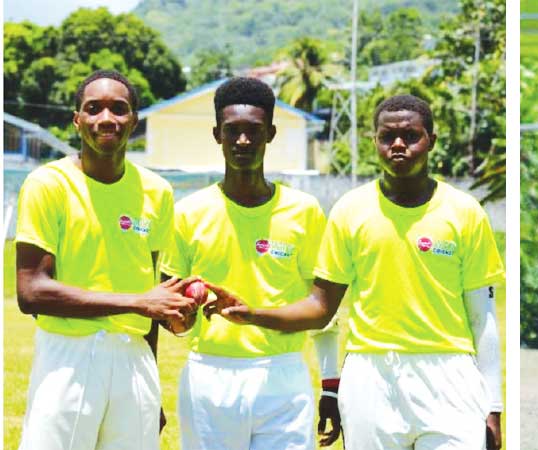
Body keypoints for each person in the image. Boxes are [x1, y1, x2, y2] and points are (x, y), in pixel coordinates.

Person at [207, 94, 505, 449]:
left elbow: (482, 317)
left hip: (449, 373)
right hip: (370, 376)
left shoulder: (464, 212)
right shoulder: (350, 210)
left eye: (410, 136)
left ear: (432, 141)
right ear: (374, 142)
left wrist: (494, 405)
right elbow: (320, 308)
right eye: (386, 136)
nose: (397, 144)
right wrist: (253, 314)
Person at [14, 69, 199, 449]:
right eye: (93, 108)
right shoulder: (48, 185)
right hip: (68, 356)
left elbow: (151, 298)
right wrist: (137, 302)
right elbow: (31, 291)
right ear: (77, 119)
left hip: (134, 360)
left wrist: (150, 381)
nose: (106, 119)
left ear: (133, 120)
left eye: (119, 108)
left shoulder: (157, 192)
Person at [158, 76, 341, 449]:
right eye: (233, 131)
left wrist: (253, 315)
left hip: (283, 374)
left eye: (253, 131)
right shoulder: (188, 213)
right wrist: (181, 319)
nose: (243, 141)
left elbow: (321, 310)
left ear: (270, 133)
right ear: (216, 134)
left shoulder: (303, 211)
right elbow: (170, 314)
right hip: (210, 375)